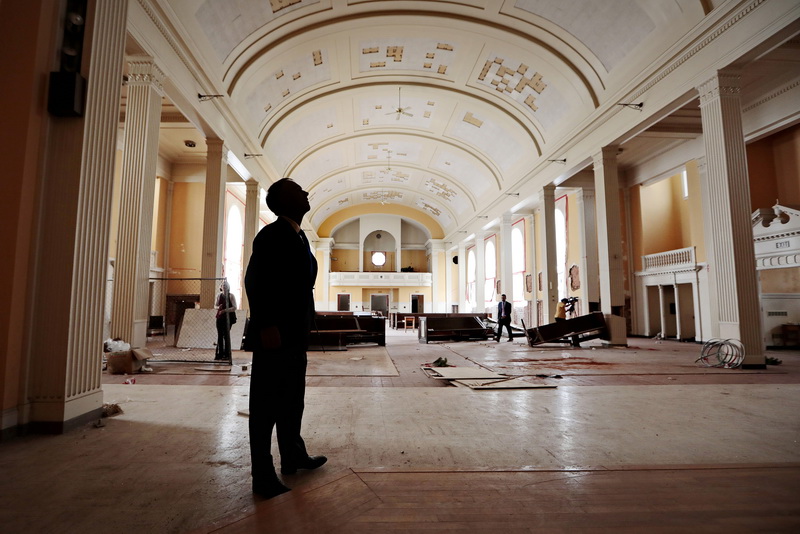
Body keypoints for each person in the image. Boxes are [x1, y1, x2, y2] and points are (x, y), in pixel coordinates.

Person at [244, 178, 327, 499]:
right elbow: (255, 281)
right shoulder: (272, 235)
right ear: (282, 202)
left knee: (293, 398)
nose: (306, 192)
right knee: (266, 404)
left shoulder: (298, 236)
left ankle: (293, 455)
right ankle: (262, 474)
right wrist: (265, 325)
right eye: (297, 190)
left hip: (295, 332)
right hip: (275, 333)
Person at [214, 281, 237, 361]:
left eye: (226, 285)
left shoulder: (231, 296)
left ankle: (227, 354)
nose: (224, 286)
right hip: (220, 317)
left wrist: (224, 310)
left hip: (228, 318)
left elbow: (234, 307)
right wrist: (218, 308)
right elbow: (215, 306)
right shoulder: (219, 295)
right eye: (223, 285)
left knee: (226, 335)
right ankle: (220, 354)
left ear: (228, 287)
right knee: (220, 336)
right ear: (221, 287)